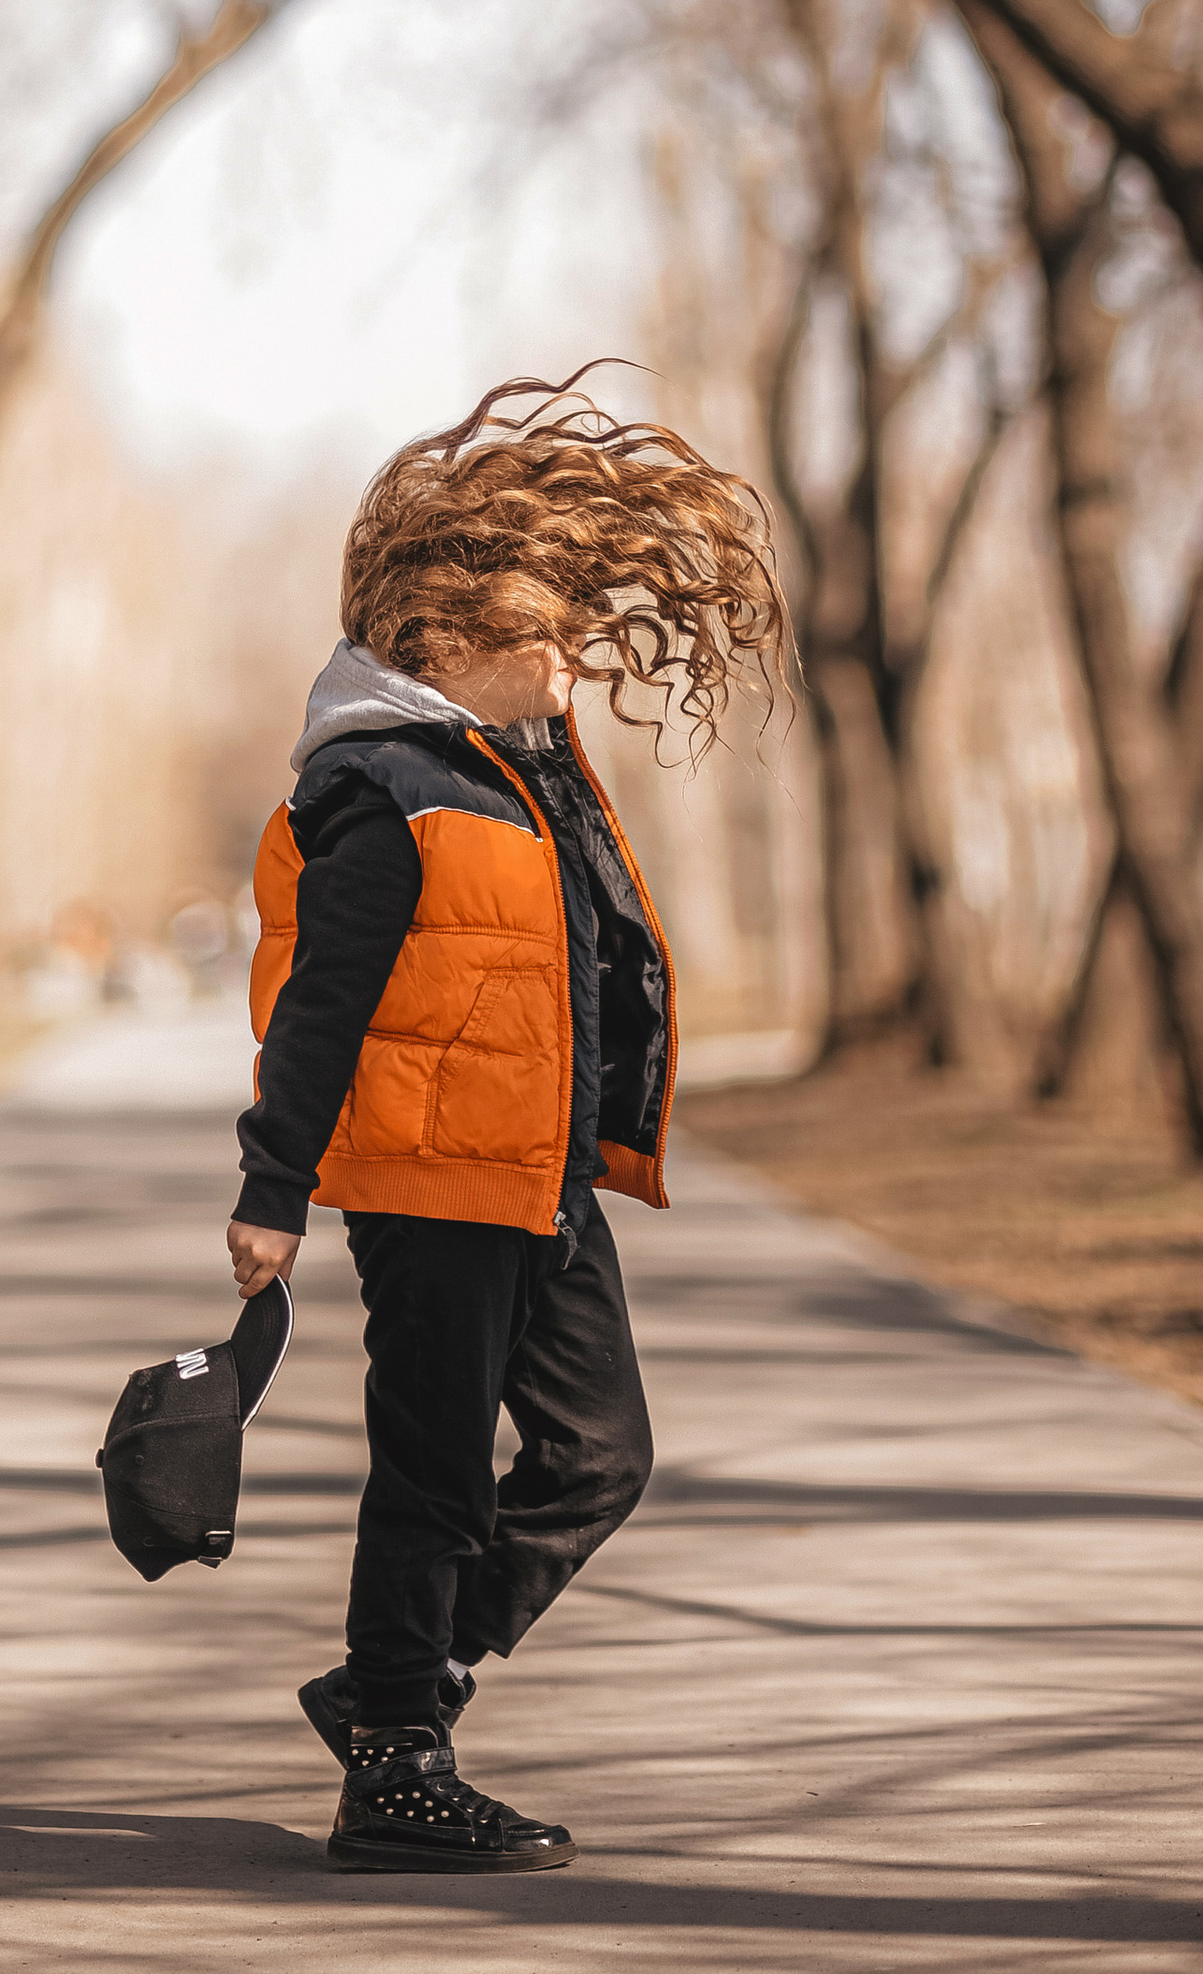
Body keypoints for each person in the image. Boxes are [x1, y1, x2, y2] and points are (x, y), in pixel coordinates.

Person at [227, 374, 787, 1875]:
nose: (570, 661)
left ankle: (388, 1686)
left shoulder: (518, 776)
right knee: (432, 1470)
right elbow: (320, 1006)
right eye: (539, 637)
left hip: (538, 1182)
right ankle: (396, 1770)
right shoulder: (380, 790)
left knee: (602, 1454)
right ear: (442, 647)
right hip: (430, 1185)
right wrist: (272, 1184)